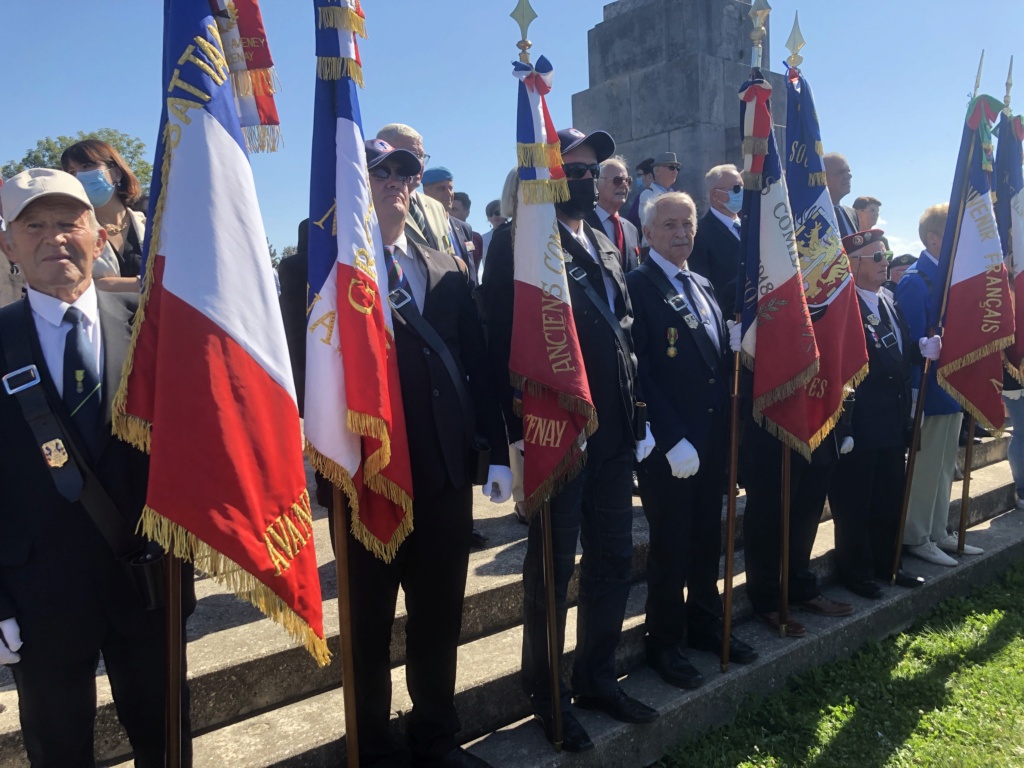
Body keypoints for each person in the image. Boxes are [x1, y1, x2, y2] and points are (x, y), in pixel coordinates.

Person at [0, 168, 193, 766]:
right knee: (59, 753)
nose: (54, 237)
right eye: (34, 225)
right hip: (40, 597)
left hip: (149, 580)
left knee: (167, 743)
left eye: (69, 222)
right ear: (8, 243)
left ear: (100, 235)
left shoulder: (154, 326)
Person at [482, 127, 657, 753]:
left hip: (612, 435)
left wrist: (638, 414)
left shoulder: (607, 240)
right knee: (551, 574)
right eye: (572, 170)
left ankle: (596, 676)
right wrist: (511, 438)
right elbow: (498, 337)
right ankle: (546, 693)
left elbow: (623, 332)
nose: (584, 179)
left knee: (612, 559)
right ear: (548, 175)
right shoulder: (518, 241)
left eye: (592, 168)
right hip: (556, 436)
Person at [341, 140, 511, 768]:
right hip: (366, 474)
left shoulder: (443, 265)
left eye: (404, 173)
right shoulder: (326, 264)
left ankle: (437, 736)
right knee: (368, 625)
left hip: (441, 469)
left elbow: (477, 362)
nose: (393, 181)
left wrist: (492, 449)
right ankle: (374, 748)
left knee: (439, 615)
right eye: (377, 171)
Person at [629, 191, 758, 690]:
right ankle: (664, 642)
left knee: (708, 540)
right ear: (648, 232)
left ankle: (704, 624)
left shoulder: (702, 282)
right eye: (669, 225)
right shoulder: (638, 285)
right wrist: (667, 436)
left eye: (687, 224)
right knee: (671, 546)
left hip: (710, 437)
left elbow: (708, 365)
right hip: (671, 445)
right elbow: (640, 371)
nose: (681, 232)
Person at [827, 229, 935, 599]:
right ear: (852, 263)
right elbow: (838, 367)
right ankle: (855, 570)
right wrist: (844, 426)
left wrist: (920, 348)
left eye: (885, 254)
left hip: (892, 418)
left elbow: (896, 350)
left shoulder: (887, 297)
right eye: (875, 257)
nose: (884, 261)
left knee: (889, 496)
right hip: (860, 422)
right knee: (856, 500)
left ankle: (889, 563)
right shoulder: (843, 304)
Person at [895, 203, 984, 565]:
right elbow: (912, 342)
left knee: (945, 464)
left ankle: (936, 530)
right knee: (927, 466)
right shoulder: (918, 280)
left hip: (952, 388)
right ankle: (916, 535)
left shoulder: (949, 277)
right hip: (929, 392)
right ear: (934, 238)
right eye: (954, 233)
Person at [60, 139, 147, 293]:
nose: (80, 176)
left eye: (87, 166)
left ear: (116, 173)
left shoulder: (151, 225)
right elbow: (79, 286)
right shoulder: (68, 232)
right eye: (72, 172)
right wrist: (145, 284)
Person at [376, 124, 455, 259]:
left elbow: (448, 254)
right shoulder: (372, 203)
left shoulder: (436, 207)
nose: (419, 163)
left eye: (422, 156)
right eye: (411, 155)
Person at [687, 164, 744, 318]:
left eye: (743, 186)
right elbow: (702, 287)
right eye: (736, 189)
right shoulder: (700, 234)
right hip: (730, 321)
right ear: (715, 195)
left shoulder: (752, 225)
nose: (742, 192)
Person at [422, 167, 479, 283]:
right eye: (441, 189)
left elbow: (470, 262)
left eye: (450, 188)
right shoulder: (421, 225)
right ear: (426, 191)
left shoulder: (464, 228)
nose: (449, 194)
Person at [587, 155, 640, 272]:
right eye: (617, 180)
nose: (624, 185)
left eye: (627, 181)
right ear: (597, 184)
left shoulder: (632, 230)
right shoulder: (583, 225)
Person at [637, 153, 680, 247]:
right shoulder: (647, 195)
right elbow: (651, 225)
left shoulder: (676, 195)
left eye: (677, 168)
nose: (675, 171)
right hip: (654, 248)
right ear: (657, 170)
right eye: (671, 167)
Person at [823, 153, 858, 237]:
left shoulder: (852, 213)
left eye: (848, 171)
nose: (849, 176)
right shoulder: (813, 212)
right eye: (841, 172)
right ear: (823, 177)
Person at [624, 157, 655, 232]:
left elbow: (631, 222)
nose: (638, 178)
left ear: (650, 176)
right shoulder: (670, 193)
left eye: (640, 175)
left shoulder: (642, 197)